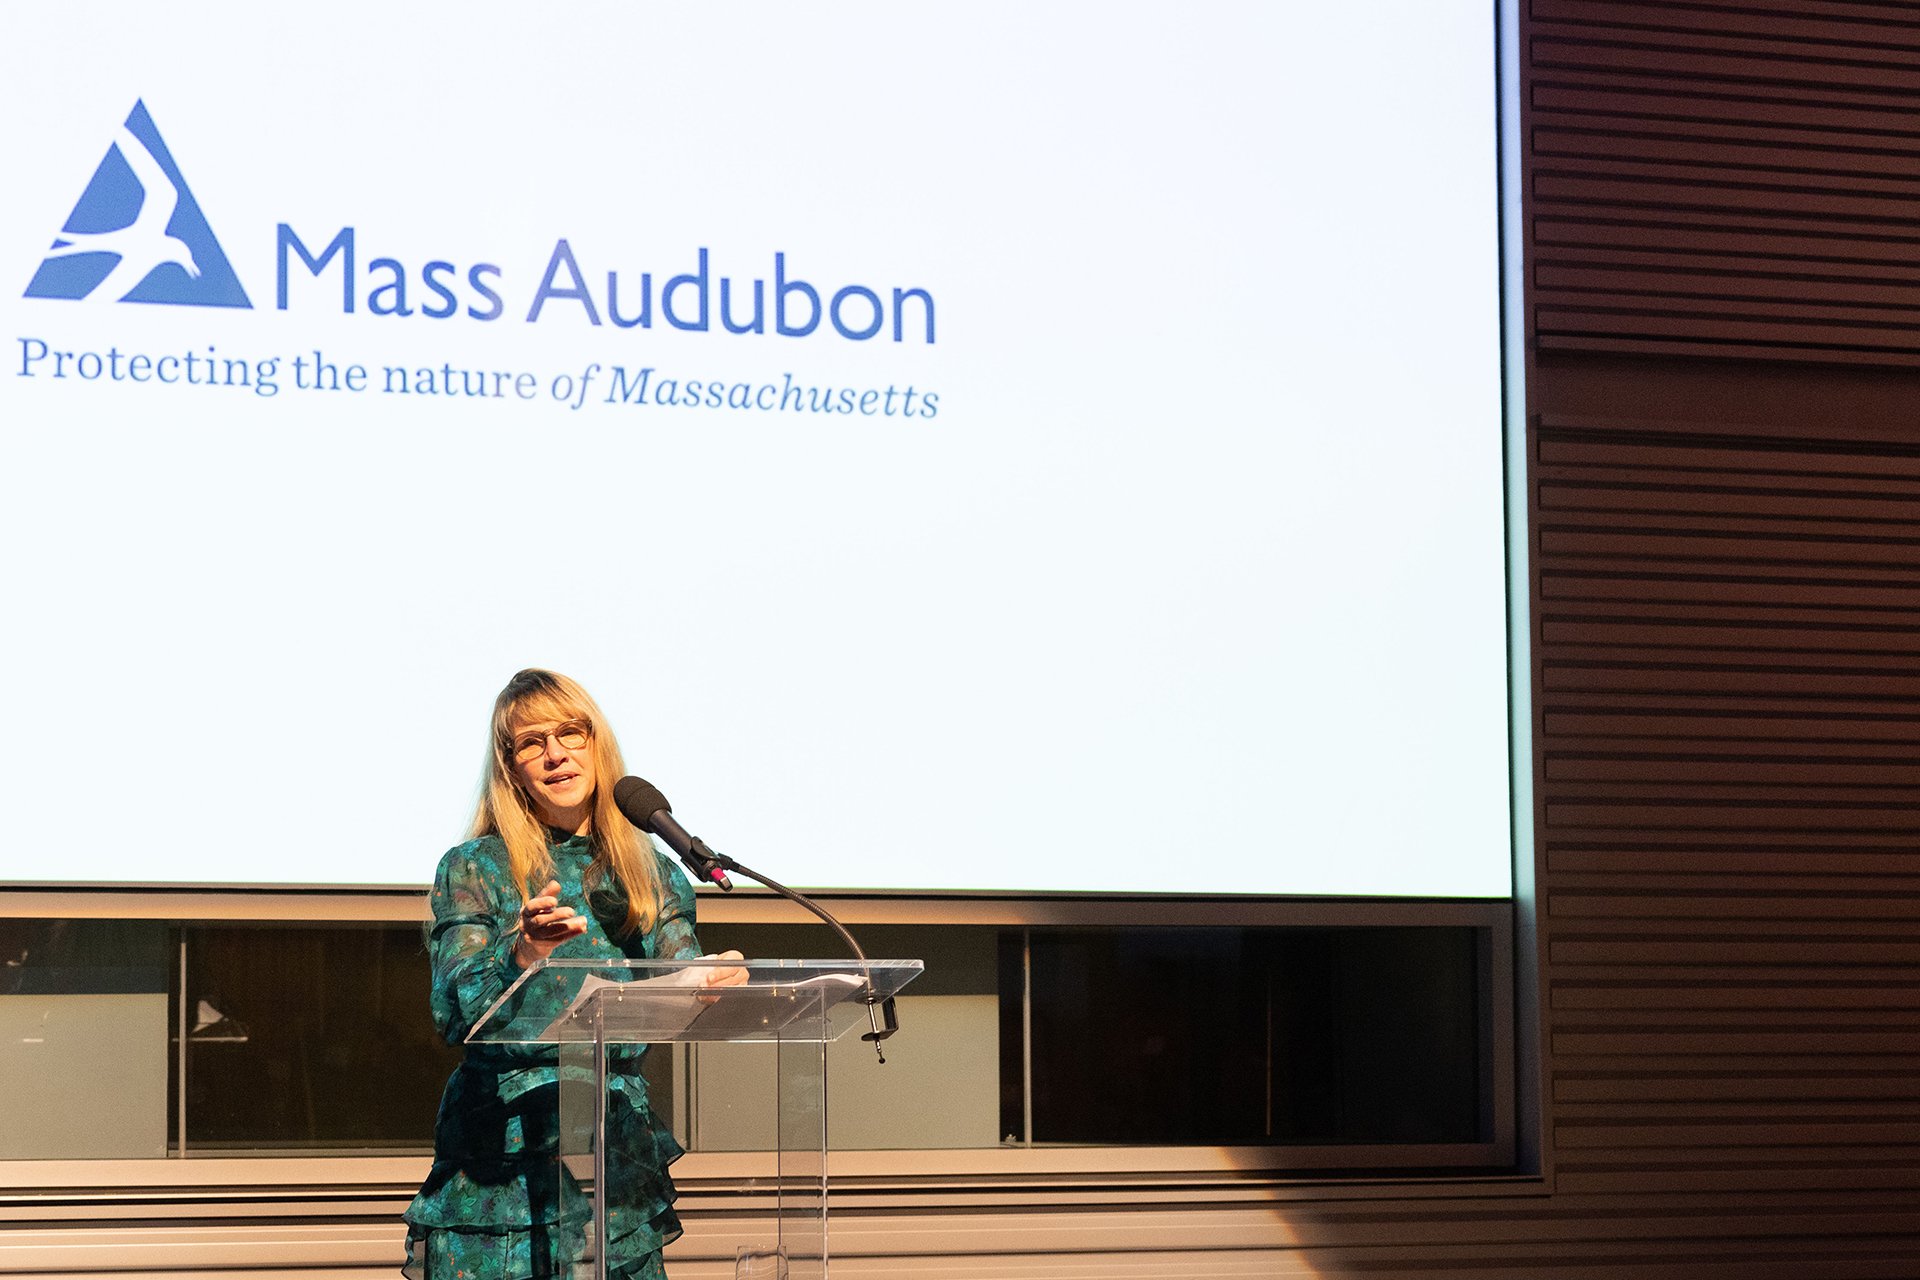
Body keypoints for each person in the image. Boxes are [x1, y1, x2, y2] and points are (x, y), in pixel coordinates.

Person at [404, 668, 742, 1280]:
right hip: (503, 1167)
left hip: (614, 1148)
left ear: (597, 744)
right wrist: (524, 952)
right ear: (511, 768)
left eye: (570, 733)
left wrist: (706, 979)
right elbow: (455, 1011)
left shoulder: (650, 871)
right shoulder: (476, 867)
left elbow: (678, 960)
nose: (556, 753)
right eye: (532, 742)